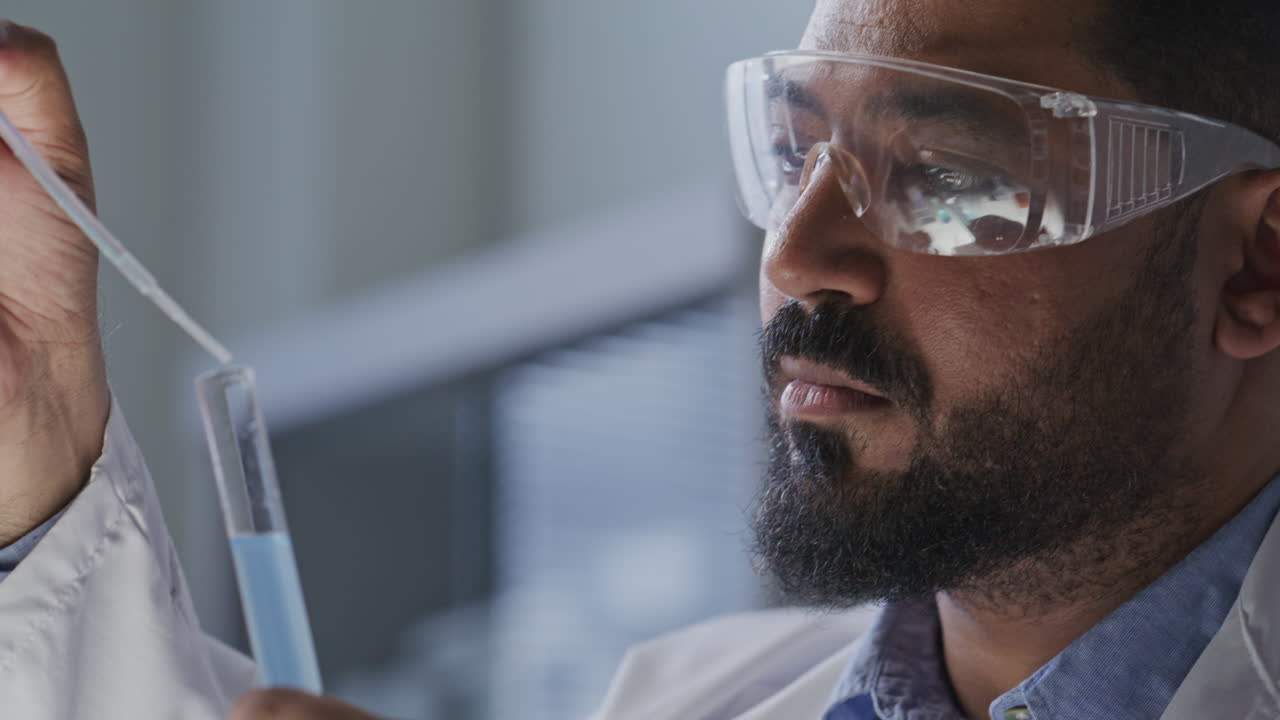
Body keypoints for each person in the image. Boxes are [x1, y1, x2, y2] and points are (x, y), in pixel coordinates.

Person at [0, 0, 1277, 716]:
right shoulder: (684, 700)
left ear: (1253, 265)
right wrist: (38, 422)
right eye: (791, 156)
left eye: (945, 174)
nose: (794, 255)